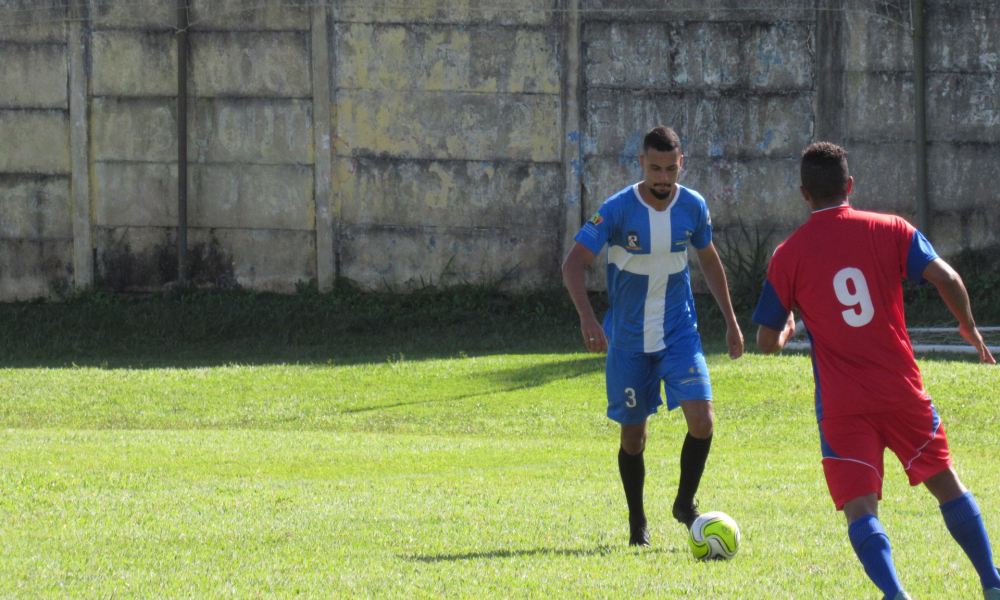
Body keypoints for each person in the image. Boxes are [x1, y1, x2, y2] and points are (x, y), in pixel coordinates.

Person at [753, 141, 1000, 600]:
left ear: (804, 194)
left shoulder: (788, 254)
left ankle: (896, 594)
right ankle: (991, 582)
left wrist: (789, 326)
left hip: (843, 407)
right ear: (849, 185)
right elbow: (947, 277)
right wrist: (967, 327)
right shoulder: (891, 229)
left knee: (860, 507)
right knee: (945, 482)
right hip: (901, 392)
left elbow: (766, 343)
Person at [562, 126, 744, 547]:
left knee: (702, 421)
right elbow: (573, 264)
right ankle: (637, 522)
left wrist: (732, 321)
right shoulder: (616, 209)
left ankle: (684, 503)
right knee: (633, 437)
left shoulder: (693, 206)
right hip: (627, 342)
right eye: (655, 168)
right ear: (641, 164)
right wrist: (588, 319)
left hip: (679, 334)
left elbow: (710, 261)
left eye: (671, 169)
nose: (663, 178)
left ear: (683, 165)